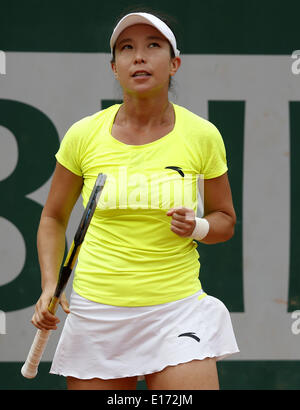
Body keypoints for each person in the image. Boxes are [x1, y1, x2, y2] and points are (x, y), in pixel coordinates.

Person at [31, 10, 239, 390]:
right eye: (126, 48)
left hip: (176, 311)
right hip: (97, 314)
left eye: (152, 46)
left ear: (174, 63)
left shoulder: (203, 135)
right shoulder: (84, 136)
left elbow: (225, 219)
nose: (139, 56)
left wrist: (199, 226)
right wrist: (50, 284)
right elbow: (53, 218)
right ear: (114, 67)